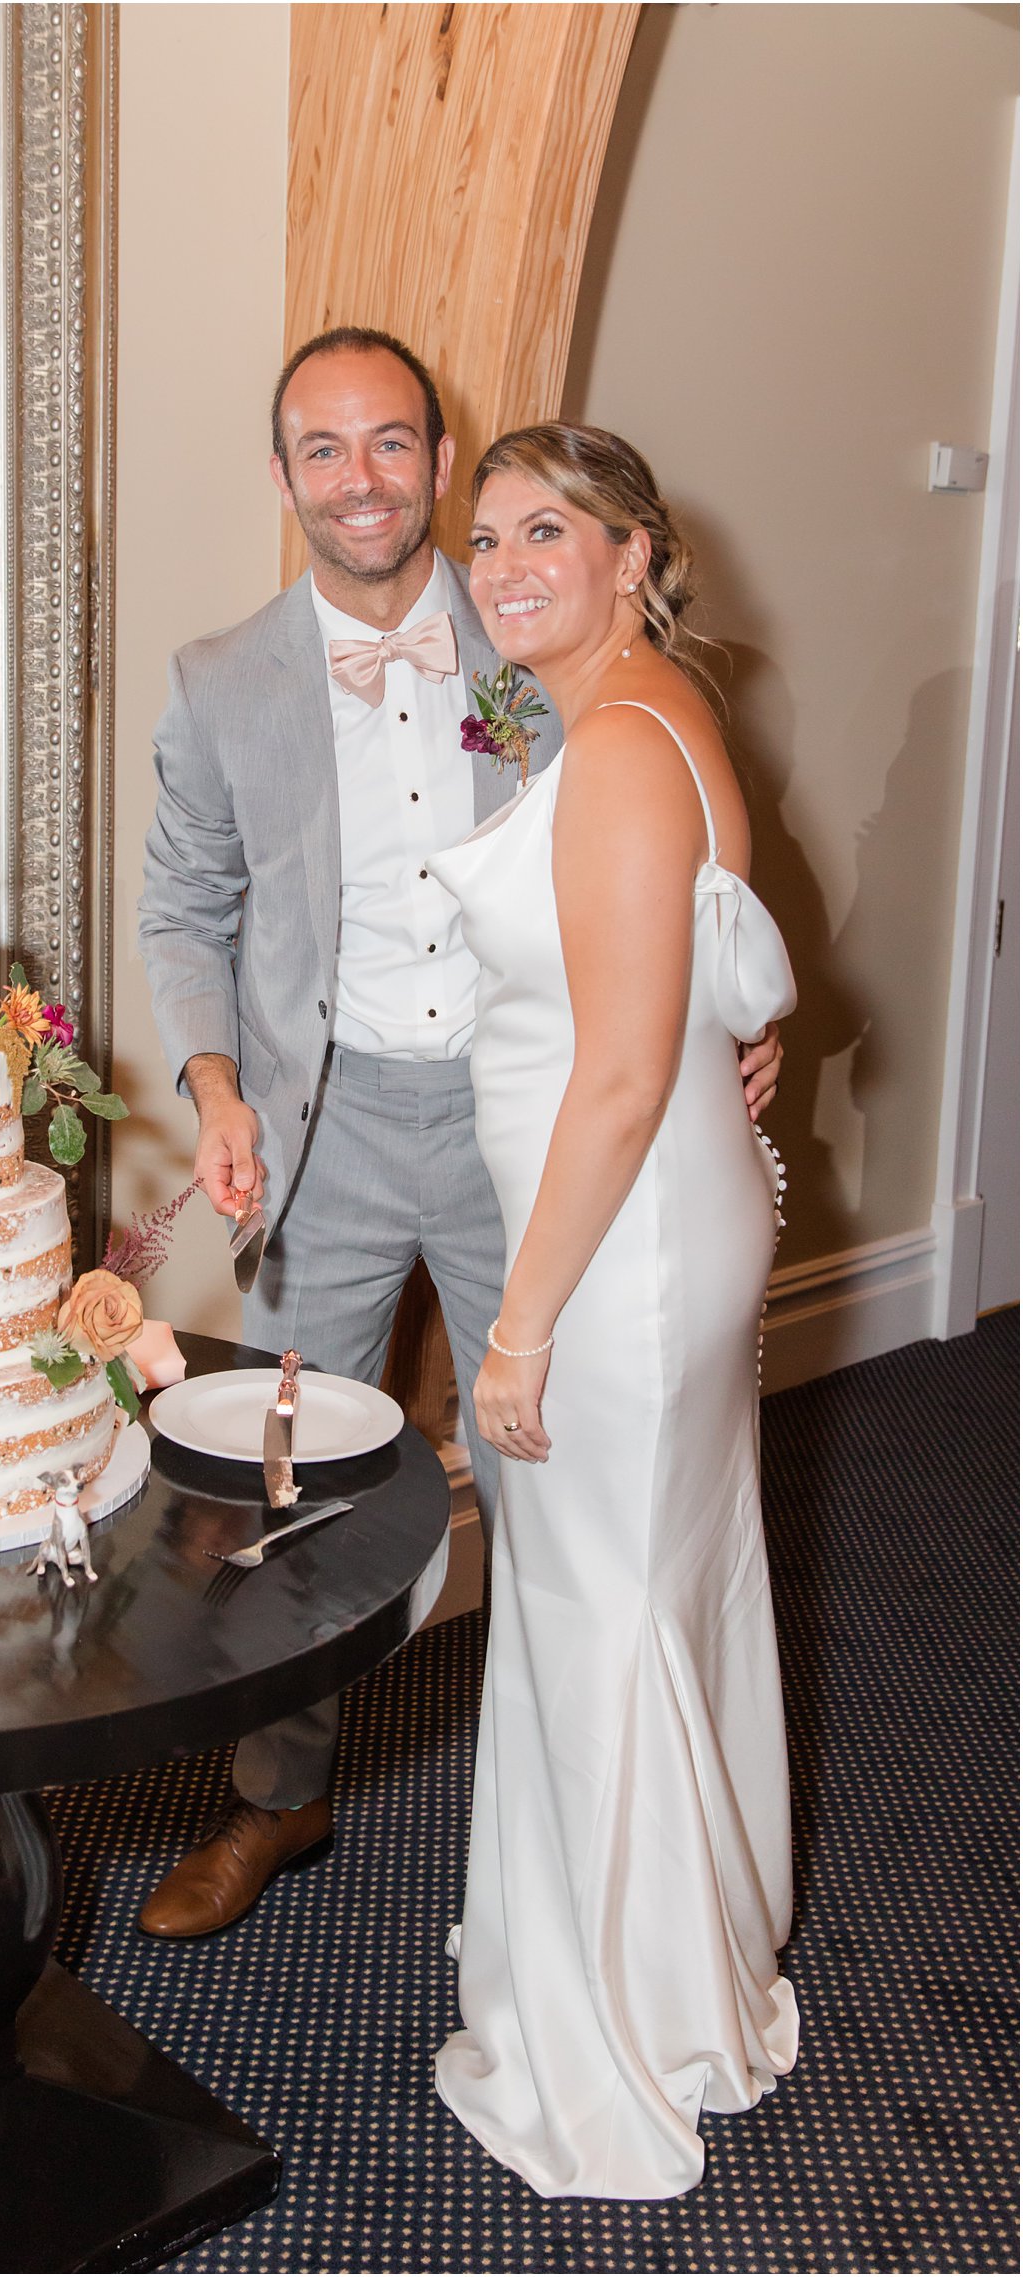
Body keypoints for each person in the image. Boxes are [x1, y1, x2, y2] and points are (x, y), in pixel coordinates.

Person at [136, 330, 783, 1940]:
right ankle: (276, 1801)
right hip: (327, 1122)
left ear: (438, 453)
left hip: (544, 1124)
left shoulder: (535, 631)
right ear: (282, 472)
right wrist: (218, 1089)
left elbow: (685, 850)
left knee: (555, 1468)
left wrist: (735, 1025)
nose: (362, 479)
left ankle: (570, 1820)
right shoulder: (220, 678)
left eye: (393, 444)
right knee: (281, 1478)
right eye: (322, 448)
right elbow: (186, 905)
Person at [429, 423, 798, 2197]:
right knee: (643, 1587)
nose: (504, 561)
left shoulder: (629, 743)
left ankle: (631, 2033)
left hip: (618, 1245)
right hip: (646, 1228)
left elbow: (628, 1074)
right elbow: (719, 978)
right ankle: (684, 1977)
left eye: (546, 529)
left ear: (636, 548)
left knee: (598, 1604)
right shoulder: (645, 716)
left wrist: (516, 1329)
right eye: (485, 533)